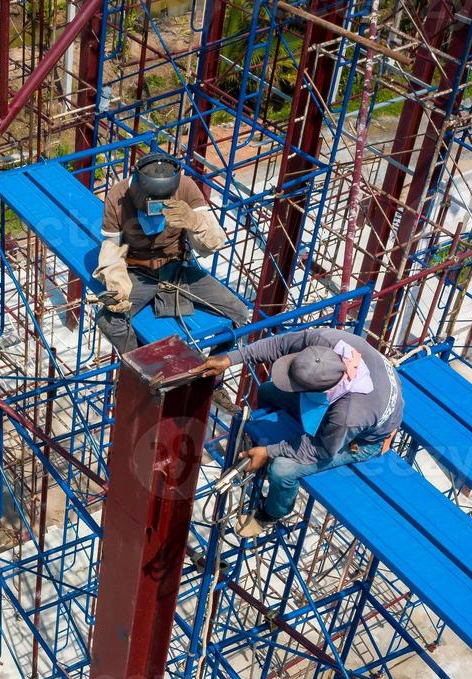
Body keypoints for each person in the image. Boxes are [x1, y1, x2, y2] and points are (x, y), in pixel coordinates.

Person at [199, 328, 402, 527]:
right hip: (355, 400)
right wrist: (232, 358)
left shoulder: (348, 416)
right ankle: (256, 453)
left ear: (320, 391)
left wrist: (270, 451)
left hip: (364, 440)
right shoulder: (326, 340)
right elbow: (280, 344)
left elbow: (321, 449)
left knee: (282, 470)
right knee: (268, 391)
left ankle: (273, 512)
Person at [93, 150, 250, 353]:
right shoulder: (118, 196)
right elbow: (111, 250)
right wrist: (118, 286)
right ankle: (142, 367)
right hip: (139, 272)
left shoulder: (185, 187)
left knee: (240, 313)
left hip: (177, 267)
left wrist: (195, 222)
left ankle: (212, 373)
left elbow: (214, 241)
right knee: (109, 322)